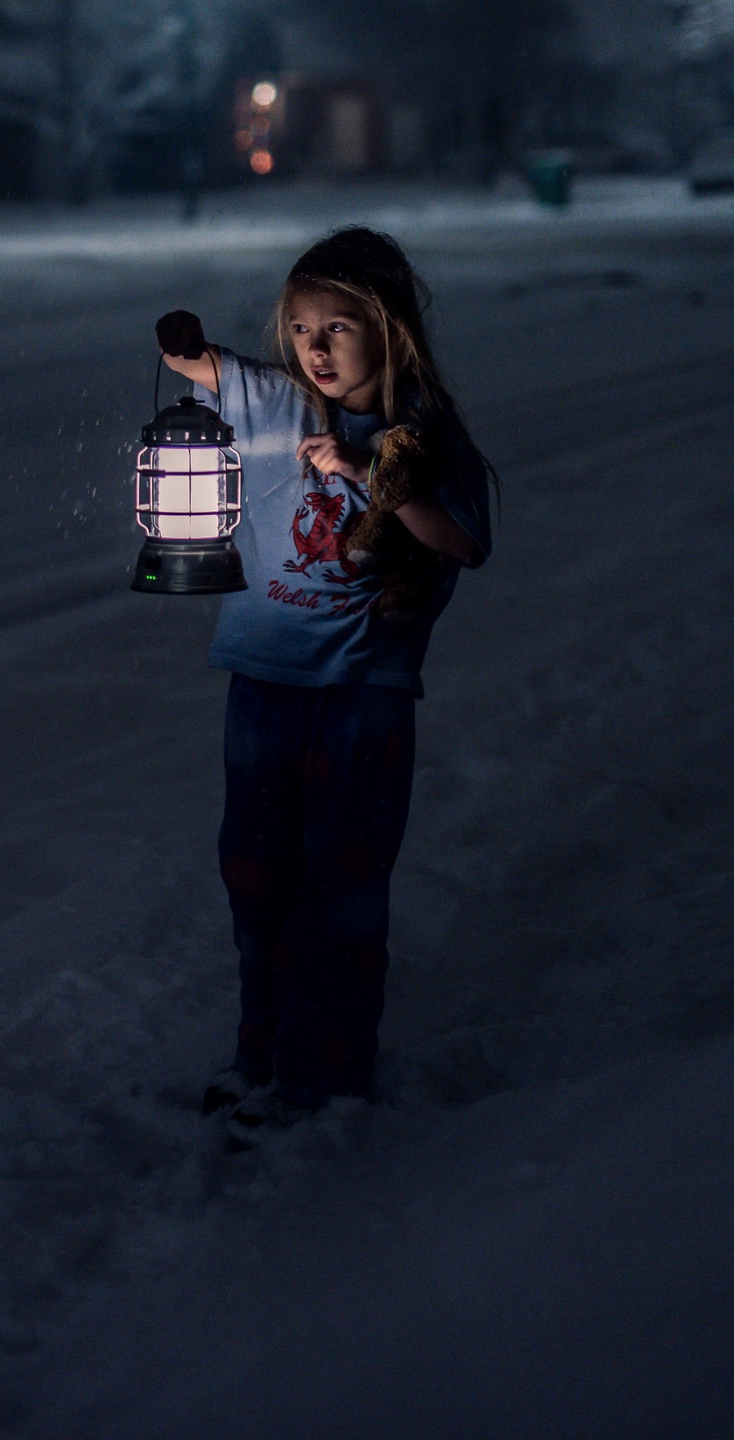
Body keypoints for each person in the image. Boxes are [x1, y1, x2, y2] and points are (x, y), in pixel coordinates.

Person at [154, 227, 492, 1131]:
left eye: (338, 327)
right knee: (258, 873)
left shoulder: (424, 440)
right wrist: (180, 345)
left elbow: (464, 541)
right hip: (262, 683)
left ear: (390, 330)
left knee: (340, 883)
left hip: (362, 691)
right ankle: (260, 1054)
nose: (314, 347)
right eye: (301, 327)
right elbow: (199, 368)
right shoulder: (276, 404)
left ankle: (327, 1077)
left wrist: (370, 472)